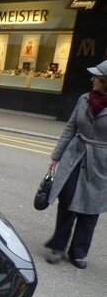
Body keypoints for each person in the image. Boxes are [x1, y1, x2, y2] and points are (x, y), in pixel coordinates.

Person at [44, 60, 107, 269]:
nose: (92, 79)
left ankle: (78, 252)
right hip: (75, 156)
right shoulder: (83, 99)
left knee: (90, 210)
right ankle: (58, 247)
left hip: (101, 163)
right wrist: (56, 156)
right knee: (67, 201)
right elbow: (69, 129)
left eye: (96, 76)